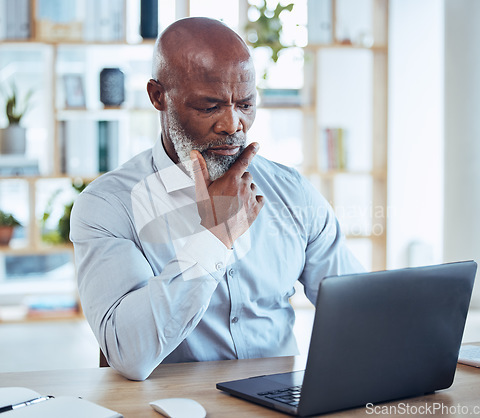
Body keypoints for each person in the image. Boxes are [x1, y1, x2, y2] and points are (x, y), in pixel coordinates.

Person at [70, 17, 364, 381]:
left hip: (281, 401)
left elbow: (359, 312)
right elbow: (129, 354)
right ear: (158, 96)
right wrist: (215, 239)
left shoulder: (291, 191)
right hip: (175, 407)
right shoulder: (108, 205)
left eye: (245, 104)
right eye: (209, 107)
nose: (233, 124)